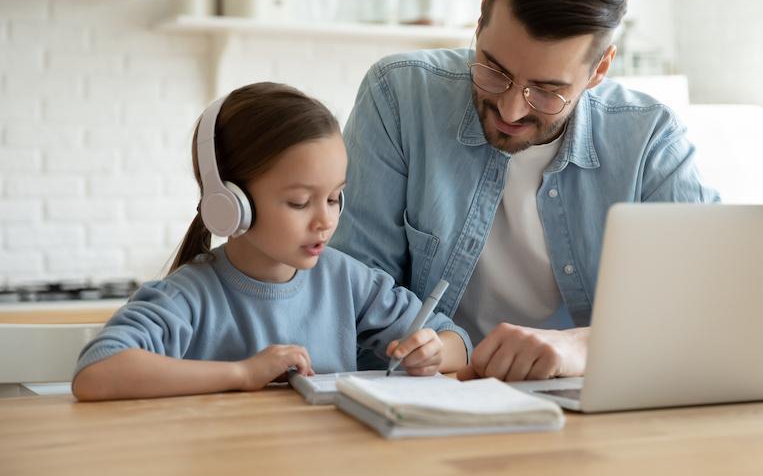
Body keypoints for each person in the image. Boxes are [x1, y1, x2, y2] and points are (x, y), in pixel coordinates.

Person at [331, 0, 720, 382]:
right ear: (480, 21)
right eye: (494, 70)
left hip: (581, 404)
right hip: (427, 393)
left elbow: (705, 302)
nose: (511, 109)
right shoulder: (399, 95)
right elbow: (353, 279)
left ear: (600, 69)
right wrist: (450, 348)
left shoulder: (650, 138)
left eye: (547, 91)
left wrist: (582, 346)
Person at [72, 83, 469, 401]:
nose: (325, 220)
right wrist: (242, 373)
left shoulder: (348, 280)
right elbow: (96, 372)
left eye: (334, 198)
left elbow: (459, 343)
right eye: (299, 202)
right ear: (230, 204)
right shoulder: (189, 295)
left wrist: (432, 353)